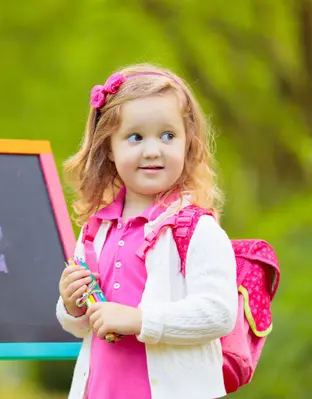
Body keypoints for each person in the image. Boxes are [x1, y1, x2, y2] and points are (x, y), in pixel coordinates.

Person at [56, 63, 238, 399]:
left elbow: (219, 313)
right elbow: (84, 325)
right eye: (135, 137)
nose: (153, 150)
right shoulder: (97, 229)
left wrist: (140, 320)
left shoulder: (196, 228)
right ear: (108, 147)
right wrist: (71, 305)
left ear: (188, 144)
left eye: (168, 135)